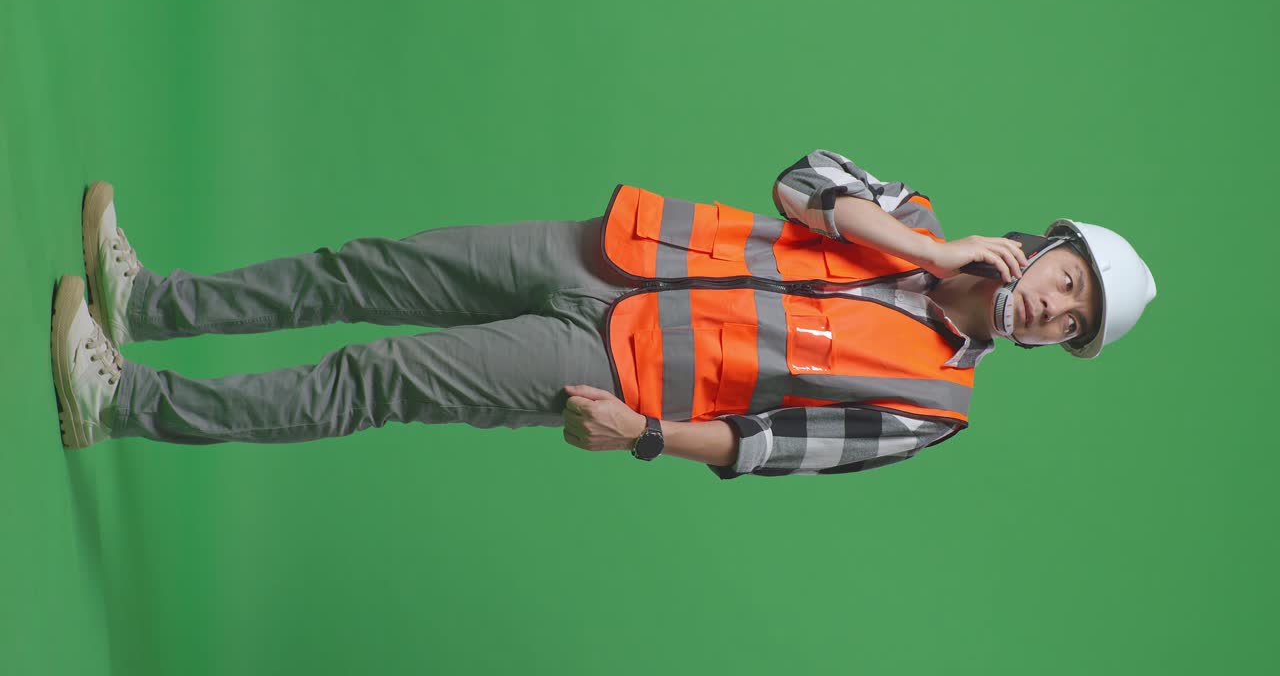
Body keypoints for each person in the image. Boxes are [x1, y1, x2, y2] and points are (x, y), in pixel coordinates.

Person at [50, 149, 1156, 479]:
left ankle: (124, 402)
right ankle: (149, 304)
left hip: (614, 364)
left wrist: (646, 437)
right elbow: (805, 182)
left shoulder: (932, 406)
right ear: (1045, 246)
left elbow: (776, 446)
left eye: (1072, 324)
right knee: (367, 269)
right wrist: (927, 251)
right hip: (610, 250)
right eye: (1067, 282)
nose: (1052, 309)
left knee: (376, 375)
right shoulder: (914, 219)